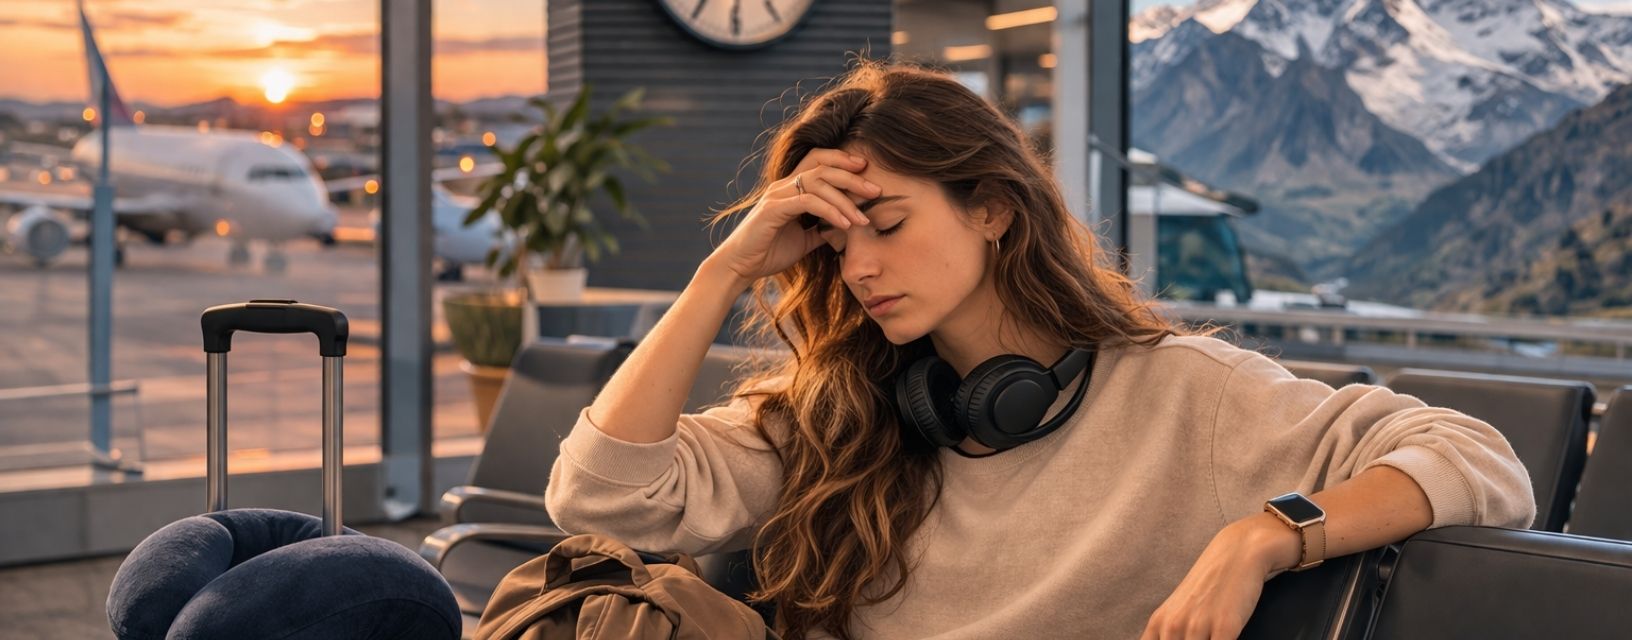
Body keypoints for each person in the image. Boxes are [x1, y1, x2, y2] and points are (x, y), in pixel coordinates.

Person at [542, 58, 1534, 640]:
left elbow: (1479, 460)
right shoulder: (841, 412)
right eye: (836, 245)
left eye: (887, 223)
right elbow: (598, 497)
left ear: (993, 210)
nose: (861, 266)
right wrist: (722, 273)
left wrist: (1263, 536)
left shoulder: (1184, 393)